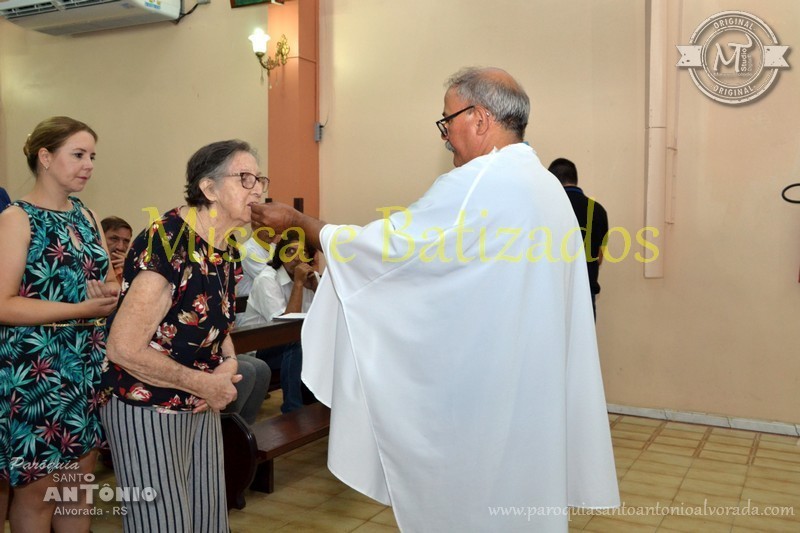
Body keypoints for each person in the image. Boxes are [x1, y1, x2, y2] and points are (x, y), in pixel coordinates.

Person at [250, 67, 619, 531]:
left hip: (484, 398)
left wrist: (301, 222)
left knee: (477, 504)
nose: (445, 136)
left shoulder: (479, 183)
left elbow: (392, 252)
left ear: (480, 119)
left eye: (448, 120)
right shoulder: (544, 186)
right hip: (531, 387)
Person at [99, 139, 266, 532]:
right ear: (209, 188)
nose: (258, 189)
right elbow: (122, 347)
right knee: (163, 523)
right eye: (245, 178)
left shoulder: (225, 247)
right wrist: (204, 384)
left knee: (208, 519)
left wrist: (227, 363)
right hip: (147, 404)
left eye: (260, 179)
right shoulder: (167, 241)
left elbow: (218, 323)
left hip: (198, 401)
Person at [0, 116, 119, 532]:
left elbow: (107, 280)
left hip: (85, 367)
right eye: (78, 154)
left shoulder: (87, 216)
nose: (89, 165)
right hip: (38, 372)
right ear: (45, 157)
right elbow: (4, 304)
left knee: (77, 489)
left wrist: (108, 293)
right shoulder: (17, 218)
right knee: (38, 494)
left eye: (92, 157)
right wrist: (80, 309)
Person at [238, 230, 318, 413]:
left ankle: (318, 403)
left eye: (302, 253)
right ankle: (293, 409)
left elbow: (327, 319)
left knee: (323, 342)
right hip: (260, 348)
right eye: (290, 252)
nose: (296, 258)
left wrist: (316, 287)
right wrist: (298, 284)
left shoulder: (312, 277)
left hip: (295, 347)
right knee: (296, 342)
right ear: (280, 255)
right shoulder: (267, 279)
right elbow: (285, 330)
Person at [548, 157, 609, 318]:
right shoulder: (598, 211)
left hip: (553, 295)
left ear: (552, 180)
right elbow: (599, 258)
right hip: (586, 295)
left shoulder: (546, 208)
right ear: (575, 179)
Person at [101, 215, 133, 281]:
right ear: (100, 238)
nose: (120, 247)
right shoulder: (86, 266)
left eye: (126, 241)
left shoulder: (129, 270)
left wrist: (130, 271)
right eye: (114, 239)